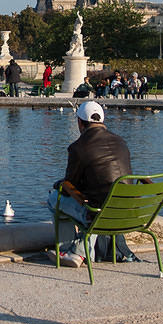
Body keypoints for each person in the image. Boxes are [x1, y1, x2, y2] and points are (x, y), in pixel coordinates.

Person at [45, 101, 134, 268]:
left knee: (54, 199)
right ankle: (78, 252)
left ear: (79, 122)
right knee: (98, 201)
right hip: (127, 212)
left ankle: (69, 251)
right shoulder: (121, 142)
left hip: (100, 213)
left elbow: (70, 186)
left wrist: (59, 185)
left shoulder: (78, 147)